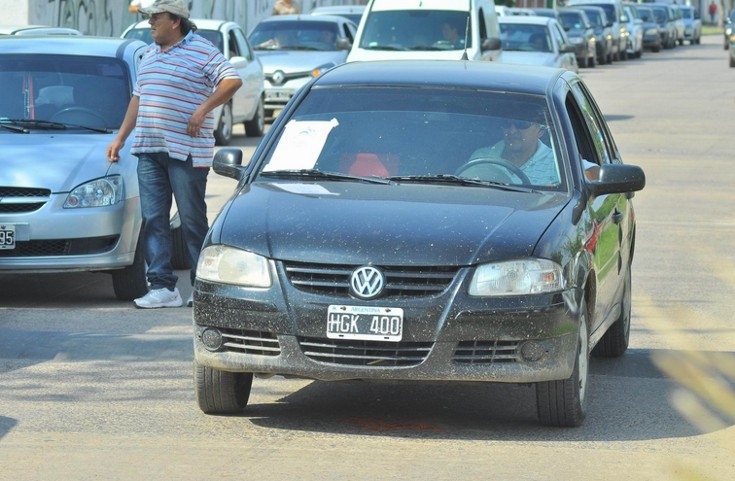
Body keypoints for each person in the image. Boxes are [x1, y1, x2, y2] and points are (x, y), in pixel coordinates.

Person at [106, 0, 243, 309]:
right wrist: (121, 138)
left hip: (187, 153)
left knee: (193, 221)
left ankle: (204, 286)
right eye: (150, 17)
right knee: (154, 219)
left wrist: (202, 110)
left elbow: (232, 80)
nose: (150, 23)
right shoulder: (150, 55)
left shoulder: (202, 49)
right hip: (148, 150)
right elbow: (137, 99)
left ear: (175, 21)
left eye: (156, 17)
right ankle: (163, 287)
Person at [460, 112, 560, 185]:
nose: (512, 131)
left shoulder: (557, 165)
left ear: (540, 131)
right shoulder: (481, 158)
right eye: (506, 124)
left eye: (521, 124)